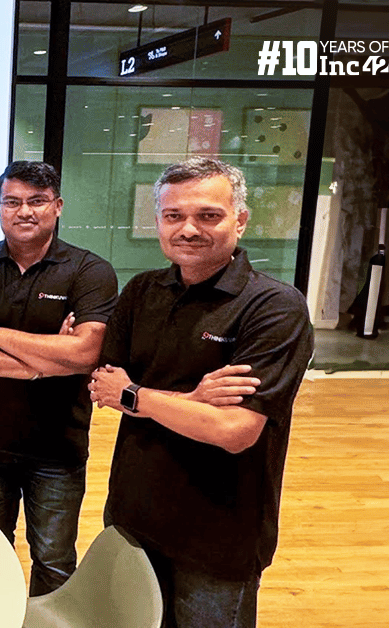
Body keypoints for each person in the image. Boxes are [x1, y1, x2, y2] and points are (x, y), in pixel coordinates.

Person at [89, 157, 314, 628]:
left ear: (240, 219)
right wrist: (192, 401)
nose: (188, 229)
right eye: (174, 215)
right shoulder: (142, 291)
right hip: (134, 519)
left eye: (208, 215)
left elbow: (234, 431)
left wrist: (137, 396)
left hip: (219, 535)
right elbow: (106, 386)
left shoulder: (274, 307)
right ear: (158, 221)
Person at [0, 161, 118, 595]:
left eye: (37, 201)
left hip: (57, 445)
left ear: (57, 206)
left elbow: (85, 353)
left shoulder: (89, 271)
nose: (24, 211)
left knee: (54, 561)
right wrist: (44, 360)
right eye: (13, 202)